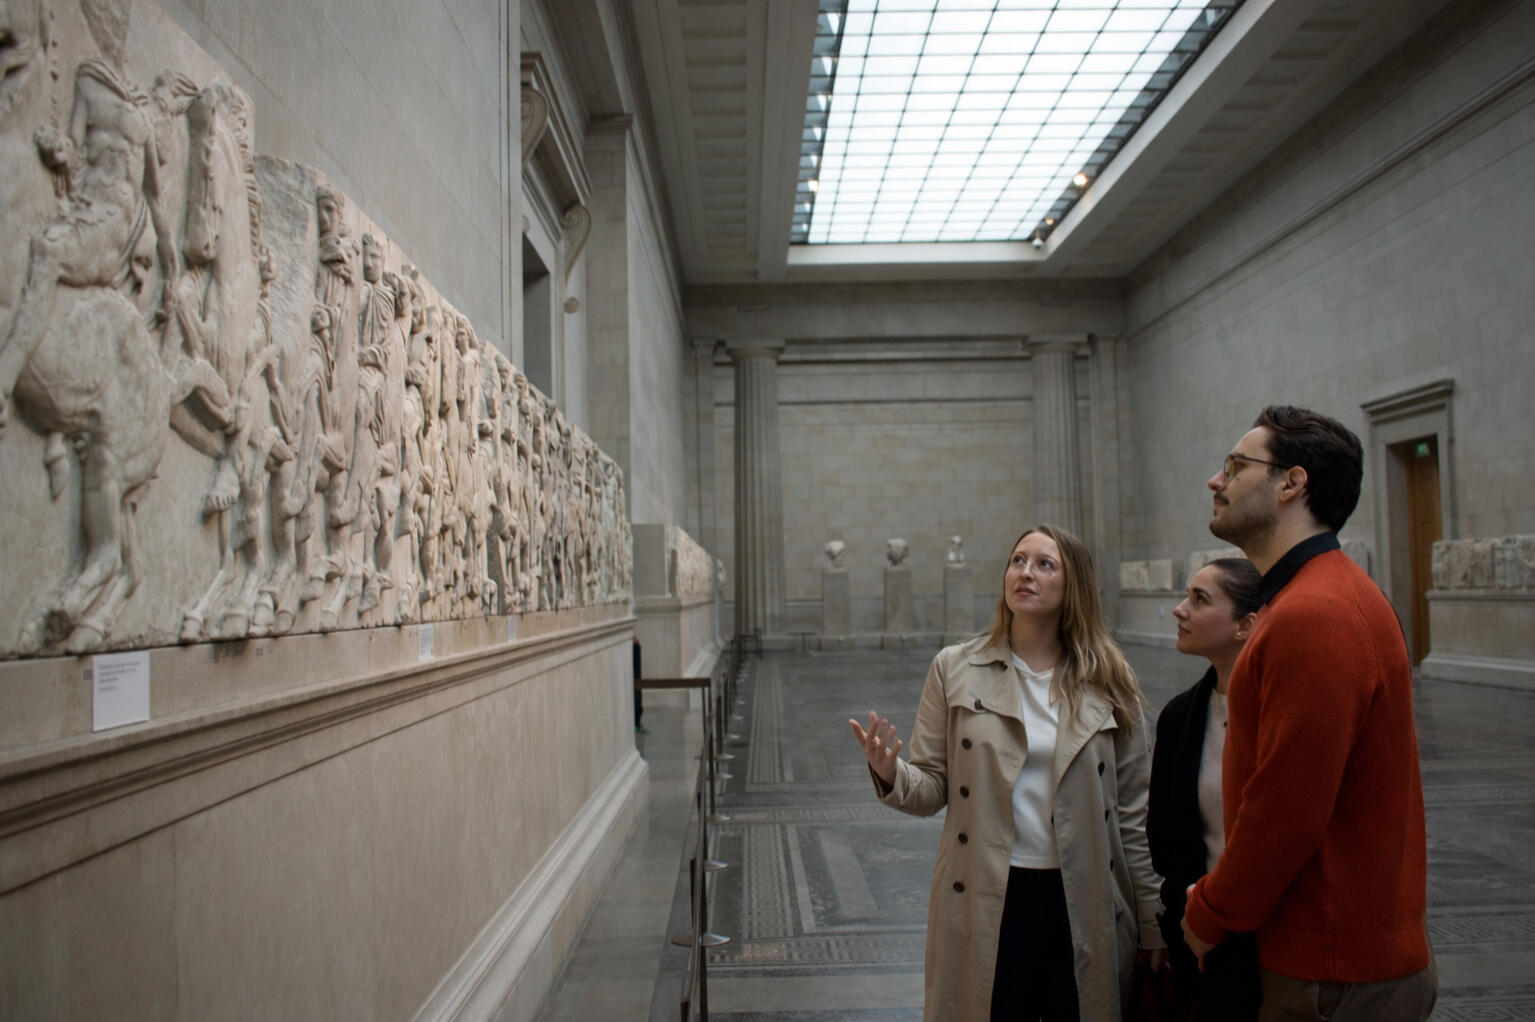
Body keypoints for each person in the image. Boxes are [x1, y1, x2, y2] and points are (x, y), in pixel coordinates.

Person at [850, 524, 1164, 1022]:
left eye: (1045, 564)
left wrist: (1152, 924)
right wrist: (892, 775)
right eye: (1018, 560)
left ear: (1073, 584)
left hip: (1080, 899)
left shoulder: (1110, 679)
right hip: (987, 894)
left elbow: (1131, 817)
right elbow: (932, 786)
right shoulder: (956, 667)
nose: (1026, 573)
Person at [1181, 406, 1435, 1022]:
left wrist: (1211, 911)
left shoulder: (1316, 614)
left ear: (1292, 484)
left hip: (1334, 970)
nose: (1217, 481)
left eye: (1236, 466)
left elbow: (1287, 810)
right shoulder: (1315, 597)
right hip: (1334, 957)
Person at [1148, 557, 1263, 1019]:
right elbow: (1164, 839)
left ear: (1245, 625)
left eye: (1199, 600)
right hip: (1201, 939)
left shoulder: (1281, 713)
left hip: (1276, 942)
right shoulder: (1179, 718)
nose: (1179, 610)